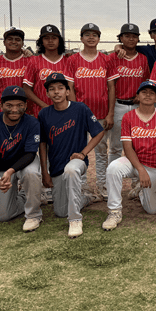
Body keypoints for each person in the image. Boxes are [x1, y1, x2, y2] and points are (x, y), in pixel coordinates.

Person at [37, 73, 106, 238]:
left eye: (61, 88)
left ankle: (75, 219)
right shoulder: (44, 114)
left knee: (71, 170)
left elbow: (99, 132)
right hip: (56, 166)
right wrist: (45, 172)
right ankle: (85, 198)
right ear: (47, 94)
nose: (56, 92)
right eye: (52, 89)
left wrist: (83, 153)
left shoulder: (80, 108)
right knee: (60, 211)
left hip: (77, 162)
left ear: (68, 91)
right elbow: (43, 144)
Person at [103, 80, 156, 230]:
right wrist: (141, 170)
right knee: (113, 168)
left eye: (152, 93)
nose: (148, 95)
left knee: (152, 210)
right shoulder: (128, 117)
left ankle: (142, 193)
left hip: (155, 166)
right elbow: (127, 148)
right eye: (144, 92)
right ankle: (114, 211)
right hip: (134, 162)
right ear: (138, 96)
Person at [0, 86, 44, 233]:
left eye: (19, 105)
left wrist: (10, 171)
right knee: (4, 215)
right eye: (9, 105)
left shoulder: (32, 122)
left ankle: (33, 215)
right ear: (1, 105)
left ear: (26, 106)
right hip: (1, 167)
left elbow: (30, 154)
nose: (14, 109)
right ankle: (26, 195)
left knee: (31, 173)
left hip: (24, 162)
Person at [67, 23, 115, 196]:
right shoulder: (72, 60)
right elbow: (70, 87)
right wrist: (74, 110)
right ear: (81, 38)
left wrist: (110, 113)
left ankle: (102, 184)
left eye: (94, 34)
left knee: (101, 151)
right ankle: (83, 185)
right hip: (81, 114)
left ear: (99, 38)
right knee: (80, 150)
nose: (91, 37)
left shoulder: (106, 59)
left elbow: (111, 87)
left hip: (101, 113)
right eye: (87, 34)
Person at [108, 23, 151, 199]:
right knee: (116, 147)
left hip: (137, 106)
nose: (131, 39)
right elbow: (111, 85)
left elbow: (147, 82)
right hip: (119, 105)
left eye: (134, 36)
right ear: (121, 38)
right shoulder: (113, 58)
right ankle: (111, 185)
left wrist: (140, 96)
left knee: (138, 146)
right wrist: (110, 112)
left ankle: (136, 184)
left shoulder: (142, 58)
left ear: (138, 38)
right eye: (127, 36)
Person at [23, 24, 74, 117]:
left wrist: (72, 110)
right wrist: (44, 106)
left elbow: (71, 88)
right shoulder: (34, 61)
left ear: (59, 41)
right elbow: (26, 88)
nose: (50, 41)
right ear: (41, 41)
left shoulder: (68, 61)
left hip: (64, 113)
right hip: (41, 113)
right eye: (46, 38)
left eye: (54, 38)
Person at [0, 27, 30, 114]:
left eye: (17, 39)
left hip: (26, 109)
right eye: (10, 39)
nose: (14, 42)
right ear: (4, 42)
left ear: (22, 43)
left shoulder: (31, 61)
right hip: (2, 109)